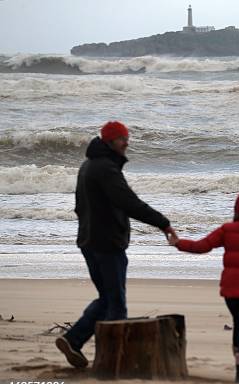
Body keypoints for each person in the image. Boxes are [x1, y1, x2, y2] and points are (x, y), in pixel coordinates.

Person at [56, 121, 177, 368]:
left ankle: (74, 339)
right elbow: (129, 203)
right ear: (111, 141)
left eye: (126, 137)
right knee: (116, 304)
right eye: (123, 138)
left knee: (108, 298)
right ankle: (113, 361)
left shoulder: (88, 166)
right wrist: (163, 223)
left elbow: (80, 207)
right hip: (106, 244)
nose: (127, 142)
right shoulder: (105, 169)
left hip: (89, 241)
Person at [169, 188, 239, 384]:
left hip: (230, 290)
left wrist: (178, 243)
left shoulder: (227, 229)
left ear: (238, 209)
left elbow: (202, 246)